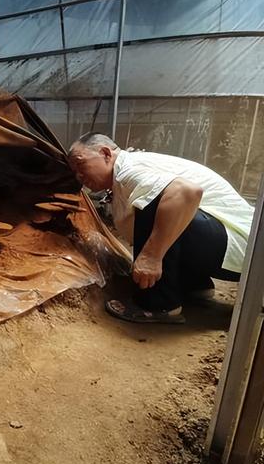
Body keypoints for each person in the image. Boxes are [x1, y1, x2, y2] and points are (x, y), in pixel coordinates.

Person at [67, 132, 254, 323]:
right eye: (74, 171)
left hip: (244, 251)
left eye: (81, 165)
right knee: (153, 205)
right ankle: (194, 285)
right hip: (234, 251)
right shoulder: (126, 172)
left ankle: (158, 304)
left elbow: (186, 192)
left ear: (106, 154)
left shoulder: (129, 170)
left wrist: (151, 256)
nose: (79, 176)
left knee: (155, 202)